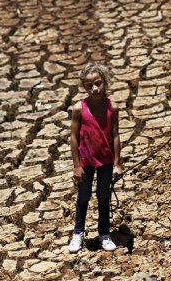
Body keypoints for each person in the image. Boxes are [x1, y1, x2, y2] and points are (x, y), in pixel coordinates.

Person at [68, 63, 122, 253]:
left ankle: (104, 234)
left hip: (106, 161)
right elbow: (74, 138)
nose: (95, 88)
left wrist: (117, 163)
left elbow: (115, 136)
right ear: (84, 87)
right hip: (86, 162)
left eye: (98, 83)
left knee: (103, 197)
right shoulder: (79, 108)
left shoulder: (112, 107)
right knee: (83, 197)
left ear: (105, 82)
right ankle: (78, 233)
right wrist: (76, 166)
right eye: (90, 85)